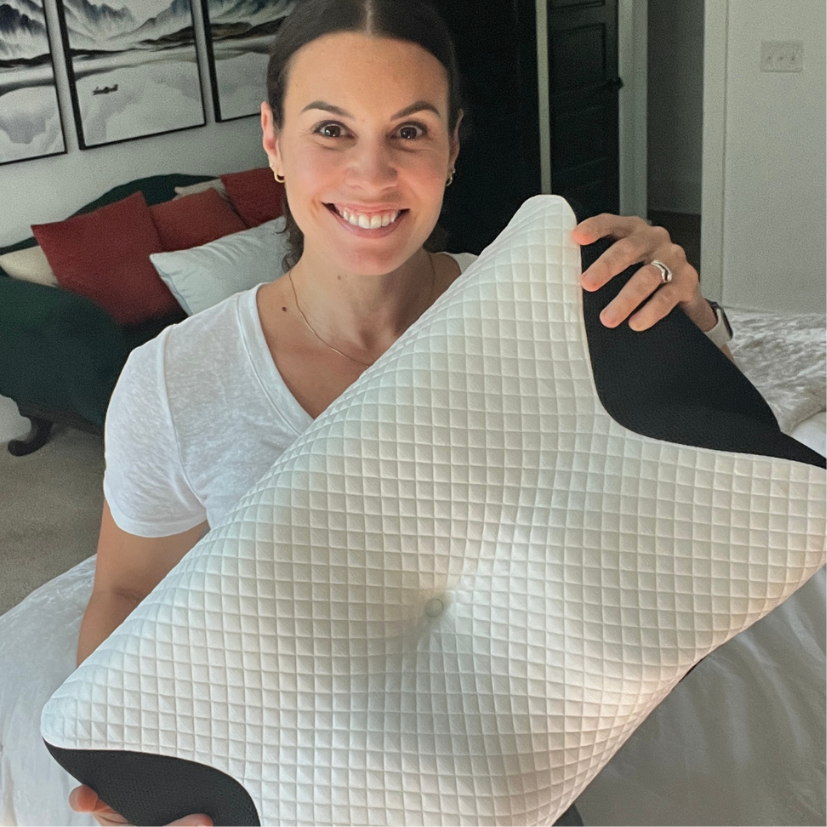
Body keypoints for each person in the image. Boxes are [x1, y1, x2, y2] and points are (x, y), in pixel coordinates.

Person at [66, 1, 731, 825]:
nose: (373, 174)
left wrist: (689, 322)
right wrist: (136, 782)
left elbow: (696, 475)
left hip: (523, 778)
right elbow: (128, 586)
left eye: (409, 131)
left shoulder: (547, 311)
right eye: (331, 130)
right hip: (298, 790)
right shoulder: (175, 380)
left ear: (452, 147)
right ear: (273, 140)